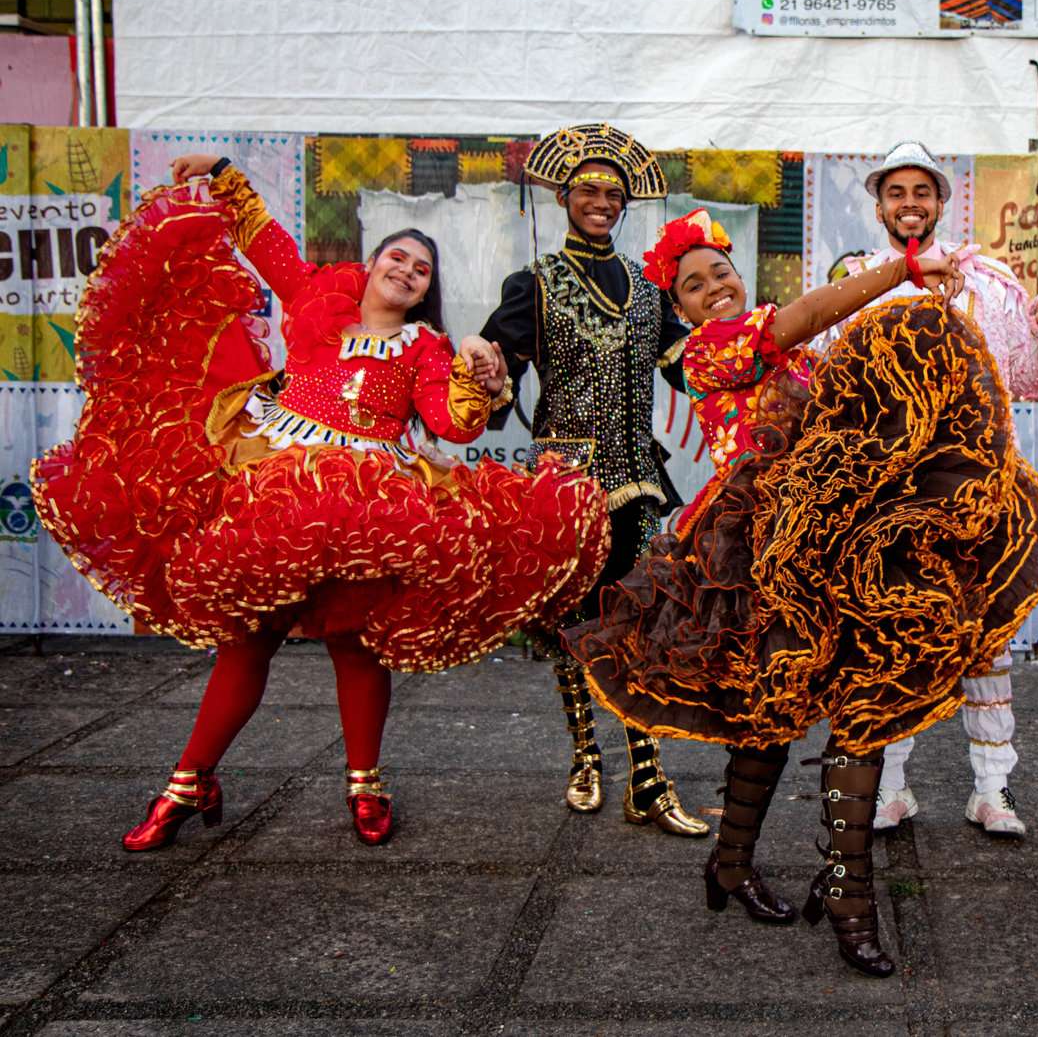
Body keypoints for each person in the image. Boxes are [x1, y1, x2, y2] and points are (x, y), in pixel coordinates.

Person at [32, 154, 608, 851]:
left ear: (427, 292)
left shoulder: (425, 348)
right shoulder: (313, 298)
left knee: (356, 644)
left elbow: (454, 424)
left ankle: (364, 782)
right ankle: (188, 781)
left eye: (421, 269)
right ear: (369, 267)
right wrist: (223, 174)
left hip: (369, 506)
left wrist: (482, 378)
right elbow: (263, 238)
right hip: (273, 487)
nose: (406, 269)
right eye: (396, 256)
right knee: (246, 642)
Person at [558, 210, 1038, 977]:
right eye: (693, 284)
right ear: (680, 310)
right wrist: (901, 272)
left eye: (720, 272)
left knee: (847, 702)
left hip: (831, 533)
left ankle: (793, 876)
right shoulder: (709, 350)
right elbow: (810, 315)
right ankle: (798, 880)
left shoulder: (778, 342)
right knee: (787, 705)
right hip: (756, 544)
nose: (713, 287)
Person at [812, 141, 1038, 840]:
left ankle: (992, 789)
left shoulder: (986, 279)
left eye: (920, 192)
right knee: (893, 635)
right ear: (878, 207)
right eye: (895, 192)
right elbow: (823, 375)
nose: (909, 204)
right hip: (891, 498)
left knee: (984, 641)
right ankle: (892, 788)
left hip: (980, 493)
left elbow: (1027, 378)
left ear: (940, 201)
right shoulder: (860, 281)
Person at [464, 124, 707, 837]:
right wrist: (487, 372)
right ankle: (584, 755)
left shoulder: (645, 288)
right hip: (563, 481)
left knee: (638, 622)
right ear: (566, 197)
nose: (601, 201)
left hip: (635, 473)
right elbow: (498, 373)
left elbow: (684, 369)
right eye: (589, 190)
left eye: (612, 192)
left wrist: (736, 351)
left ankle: (647, 775)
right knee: (571, 625)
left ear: (625, 202)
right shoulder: (533, 284)